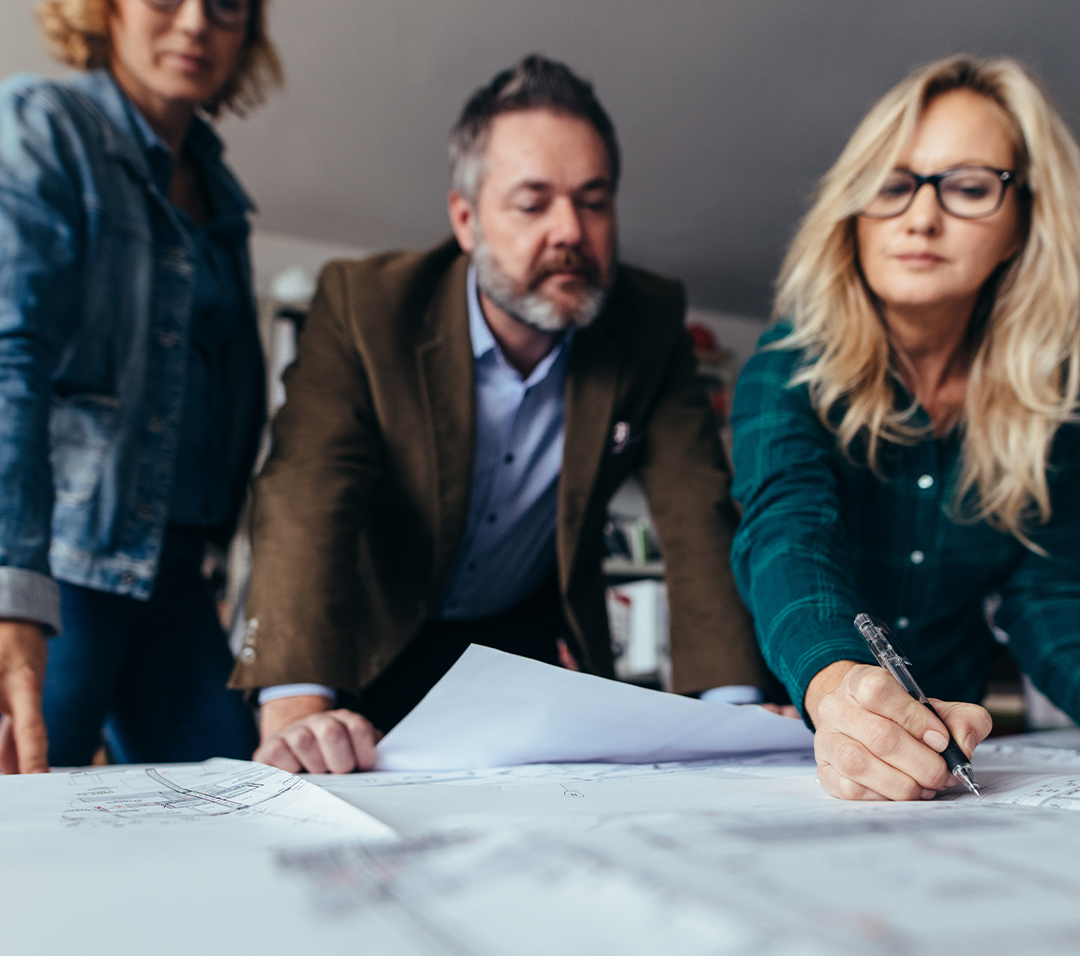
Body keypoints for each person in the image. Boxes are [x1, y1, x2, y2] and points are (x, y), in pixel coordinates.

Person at [233, 55, 766, 774]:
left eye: (594, 200)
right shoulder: (366, 306)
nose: (570, 231)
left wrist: (730, 716)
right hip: (369, 638)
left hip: (517, 654)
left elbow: (698, 507)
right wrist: (298, 708)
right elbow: (306, 490)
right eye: (532, 203)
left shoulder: (648, 321)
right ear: (466, 218)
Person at [730, 55, 1080, 802]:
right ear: (853, 211)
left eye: (968, 187)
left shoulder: (1050, 404)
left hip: (957, 769)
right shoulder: (786, 367)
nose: (921, 217)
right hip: (805, 746)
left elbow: (1047, 599)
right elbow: (787, 535)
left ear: (1022, 223)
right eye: (893, 185)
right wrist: (834, 684)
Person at [0, 0, 282, 772]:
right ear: (106, 9)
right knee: (21, 818)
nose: (194, 24)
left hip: (179, 578)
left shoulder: (224, 198)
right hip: (65, 565)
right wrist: (11, 593)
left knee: (234, 813)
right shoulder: (44, 126)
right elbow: (7, 355)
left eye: (225, 6)